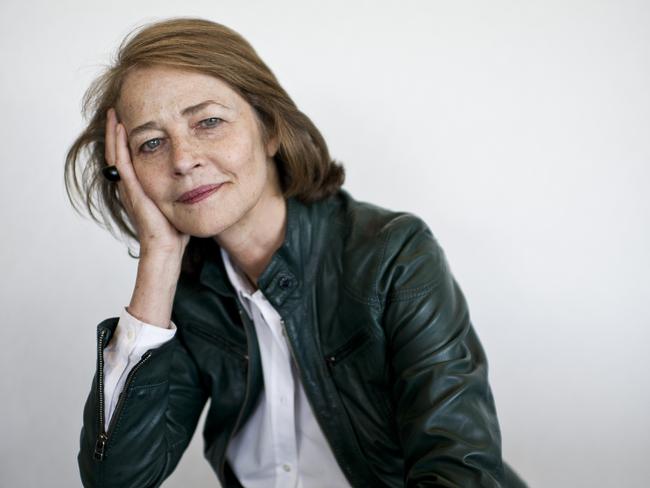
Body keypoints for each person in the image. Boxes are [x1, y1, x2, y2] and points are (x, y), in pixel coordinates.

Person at [66, 17, 527, 488]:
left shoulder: (393, 254)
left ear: (269, 129)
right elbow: (115, 482)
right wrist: (159, 254)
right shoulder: (184, 297)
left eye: (209, 122)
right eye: (152, 143)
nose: (183, 160)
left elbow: (460, 473)